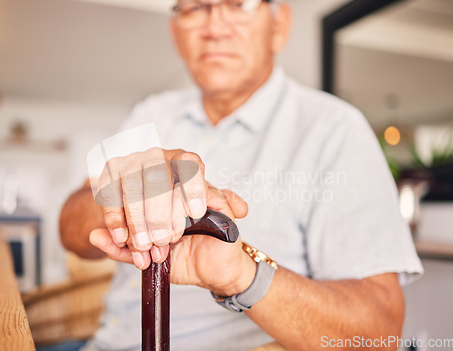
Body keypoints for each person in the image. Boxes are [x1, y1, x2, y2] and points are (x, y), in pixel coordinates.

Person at [59, 0, 423, 350]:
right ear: (175, 30)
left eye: (238, 4)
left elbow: (379, 334)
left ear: (279, 25)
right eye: (195, 7)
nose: (214, 28)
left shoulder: (334, 130)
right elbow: (70, 228)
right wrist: (120, 201)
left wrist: (242, 275)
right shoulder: (151, 112)